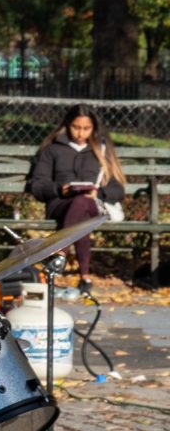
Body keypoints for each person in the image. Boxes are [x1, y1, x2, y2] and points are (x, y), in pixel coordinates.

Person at [27, 104, 125, 291]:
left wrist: (99, 192)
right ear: (67, 125)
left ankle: (59, 253)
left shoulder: (102, 151)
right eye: (76, 127)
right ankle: (85, 277)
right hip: (60, 205)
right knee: (81, 210)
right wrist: (59, 189)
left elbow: (118, 190)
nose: (81, 133)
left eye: (86, 129)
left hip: (93, 204)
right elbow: (38, 186)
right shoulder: (52, 149)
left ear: (94, 128)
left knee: (83, 203)